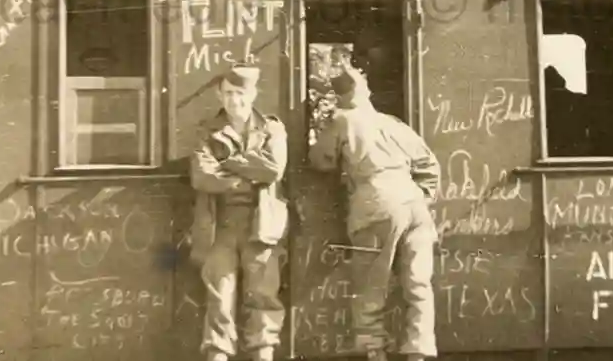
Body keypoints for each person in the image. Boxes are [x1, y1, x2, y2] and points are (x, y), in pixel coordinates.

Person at [308, 65, 440, 361]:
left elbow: (320, 161)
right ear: (366, 92)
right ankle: (419, 352)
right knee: (418, 284)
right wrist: (423, 197)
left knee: (370, 285)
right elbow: (429, 165)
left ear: (340, 98)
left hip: (376, 207)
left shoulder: (342, 120)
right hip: (415, 208)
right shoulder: (392, 123)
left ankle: (373, 352)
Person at [188, 63, 289, 361]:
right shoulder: (207, 130)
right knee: (220, 299)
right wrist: (247, 171)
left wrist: (227, 164)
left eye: (241, 93)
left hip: (262, 225)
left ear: (253, 93)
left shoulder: (272, 128)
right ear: (220, 96)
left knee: (263, 297)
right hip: (220, 227)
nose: (235, 100)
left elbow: (273, 170)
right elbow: (202, 176)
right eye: (229, 93)